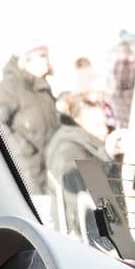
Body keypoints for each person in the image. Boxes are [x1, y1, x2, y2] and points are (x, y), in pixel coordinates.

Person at [0, 45, 59, 195]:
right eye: (41, 56)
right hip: (28, 168)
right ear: (26, 61)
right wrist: (20, 149)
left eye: (45, 56)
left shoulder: (43, 89)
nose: (46, 61)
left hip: (49, 165)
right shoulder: (12, 85)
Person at [44, 92, 111, 242]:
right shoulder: (67, 146)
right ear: (77, 122)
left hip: (96, 227)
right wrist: (108, 155)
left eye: (105, 123)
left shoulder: (90, 143)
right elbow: (72, 180)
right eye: (97, 125)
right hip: (83, 233)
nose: (105, 130)